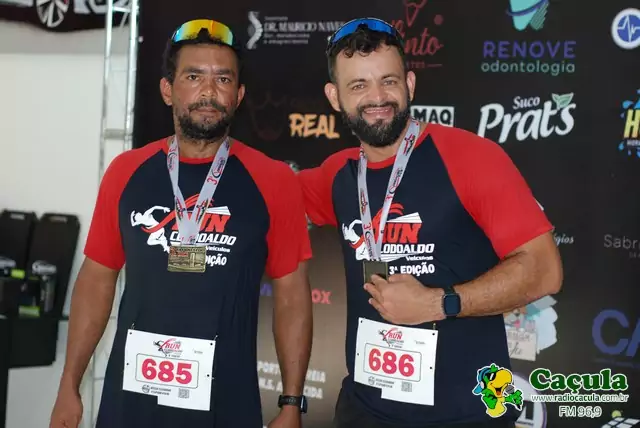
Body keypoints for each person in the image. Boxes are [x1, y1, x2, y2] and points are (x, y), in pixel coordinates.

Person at [298, 18, 563, 427]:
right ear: (335, 97)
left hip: (467, 414)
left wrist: (439, 303)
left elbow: (544, 270)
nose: (377, 97)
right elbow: (255, 195)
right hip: (364, 411)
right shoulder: (338, 174)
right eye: (359, 85)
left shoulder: (471, 158)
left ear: (410, 83)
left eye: (389, 81)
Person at [50, 19, 313, 428]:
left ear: (239, 95)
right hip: (130, 406)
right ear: (167, 89)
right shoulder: (126, 171)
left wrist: (292, 402)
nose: (209, 91)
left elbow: (292, 296)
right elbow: (97, 279)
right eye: (193, 76)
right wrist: (69, 385)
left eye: (223, 79)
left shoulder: (273, 179)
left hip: (224, 407)